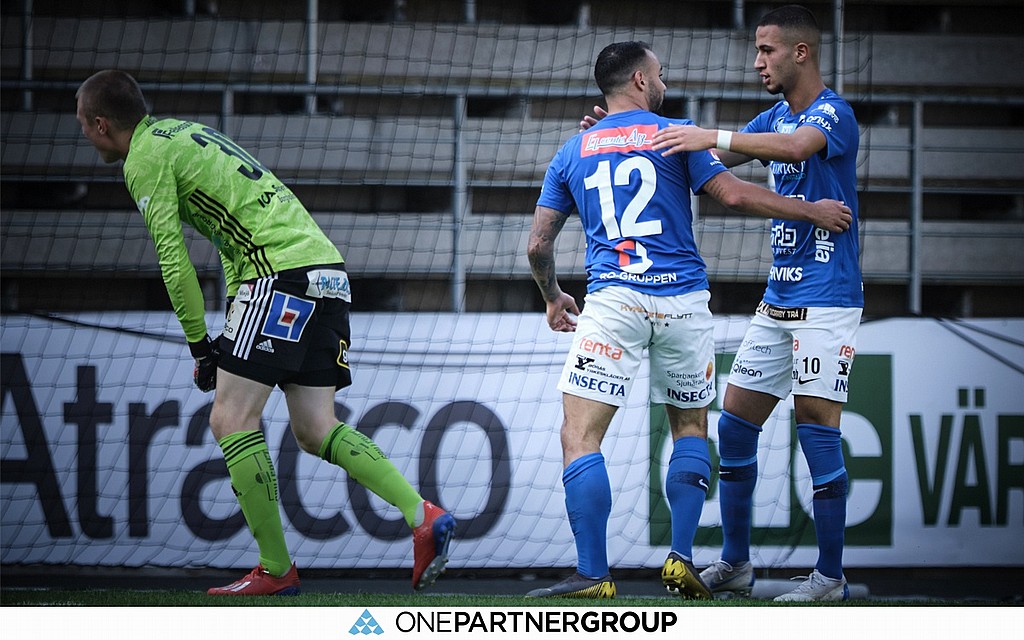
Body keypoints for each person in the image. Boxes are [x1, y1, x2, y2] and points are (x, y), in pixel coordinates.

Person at [75, 69, 456, 596]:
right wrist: (230, 321)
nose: (83, 133)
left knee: (230, 417)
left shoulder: (143, 158)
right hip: (326, 272)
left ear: (100, 124)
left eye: (82, 124)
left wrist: (199, 344)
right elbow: (230, 235)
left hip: (277, 275)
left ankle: (276, 569)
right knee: (315, 428)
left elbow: (173, 260)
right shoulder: (186, 133)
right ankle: (422, 515)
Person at [525, 41, 851, 600]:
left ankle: (594, 575)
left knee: (580, 435)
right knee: (691, 430)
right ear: (639, 80)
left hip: (614, 304)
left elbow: (537, 244)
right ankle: (681, 557)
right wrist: (811, 211)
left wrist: (553, 296)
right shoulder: (676, 135)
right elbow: (733, 194)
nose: (665, 83)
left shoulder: (574, 149)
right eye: (659, 74)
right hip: (684, 304)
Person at [647, 5, 863, 602]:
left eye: (767, 50)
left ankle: (830, 578)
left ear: (801, 52)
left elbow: (793, 149)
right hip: (779, 297)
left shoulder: (833, 114)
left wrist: (709, 135)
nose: (757, 61)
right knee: (736, 424)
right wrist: (628, 134)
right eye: (757, 50)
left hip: (827, 298)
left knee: (816, 426)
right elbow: (709, 165)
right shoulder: (773, 117)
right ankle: (737, 565)